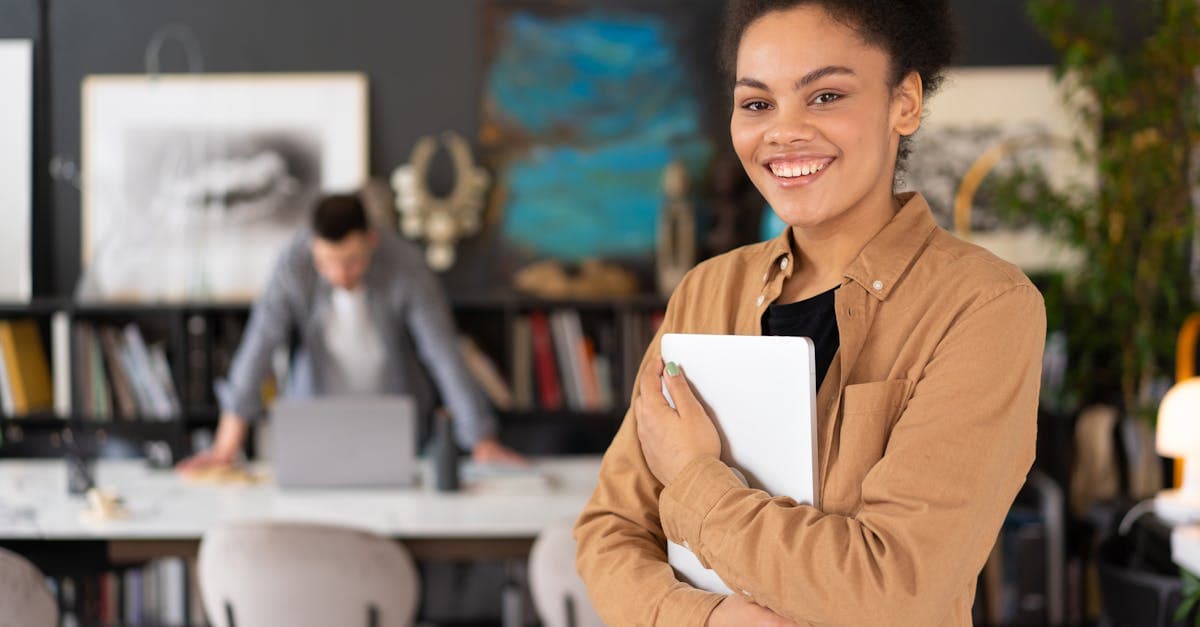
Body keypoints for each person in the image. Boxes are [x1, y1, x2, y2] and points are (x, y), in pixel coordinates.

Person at [573, 1, 1045, 625]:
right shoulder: (706, 292)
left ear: (904, 102)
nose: (783, 131)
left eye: (825, 97)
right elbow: (609, 530)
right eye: (757, 103)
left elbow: (897, 589)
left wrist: (692, 477)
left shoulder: (983, 307)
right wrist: (709, 621)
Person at [178, 194, 525, 471]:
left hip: (397, 424)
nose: (339, 273)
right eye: (326, 262)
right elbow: (259, 345)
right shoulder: (292, 265)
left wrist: (480, 439)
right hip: (316, 423)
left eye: (351, 261)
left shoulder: (406, 266)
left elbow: (442, 352)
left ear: (371, 240)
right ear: (313, 247)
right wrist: (226, 447)